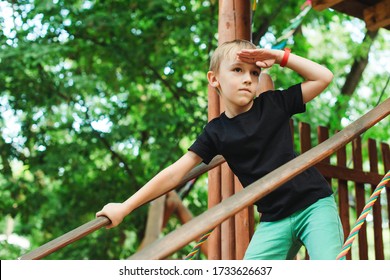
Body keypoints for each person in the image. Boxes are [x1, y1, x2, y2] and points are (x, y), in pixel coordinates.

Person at [97, 39, 344, 260]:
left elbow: (324, 77)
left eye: (254, 73)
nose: (248, 78)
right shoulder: (216, 132)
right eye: (238, 70)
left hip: (313, 204)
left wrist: (281, 58)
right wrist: (125, 207)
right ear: (214, 79)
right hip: (273, 218)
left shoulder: (273, 104)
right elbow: (174, 173)